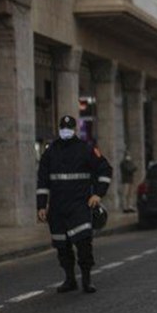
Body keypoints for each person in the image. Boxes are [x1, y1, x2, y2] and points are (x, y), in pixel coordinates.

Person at [37, 115, 113, 294]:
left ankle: (87, 279)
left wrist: (98, 194)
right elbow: (42, 180)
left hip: (79, 204)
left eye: (68, 128)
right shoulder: (50, 151)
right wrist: (41, 205)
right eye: (63, 128)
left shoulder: (86, 149)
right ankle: (69, 279)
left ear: (74, 130)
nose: (65, 131)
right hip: (57, 207)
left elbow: (105, 169)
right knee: (62, 246)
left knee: (83, 243)